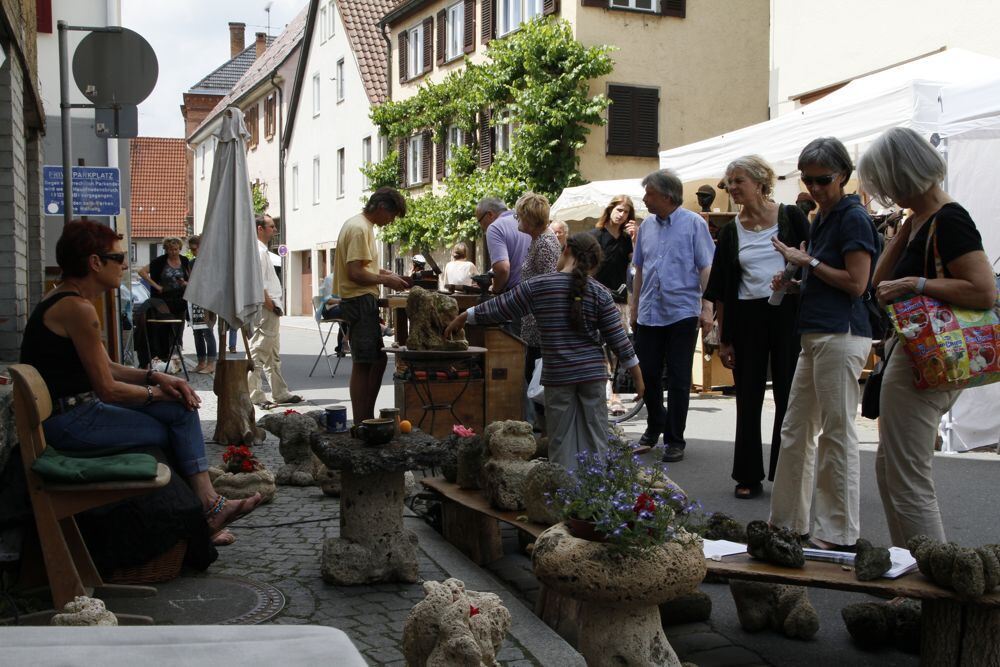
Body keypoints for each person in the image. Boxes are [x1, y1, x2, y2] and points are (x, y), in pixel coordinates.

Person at [20, 220, 262, 544]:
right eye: (119, 258)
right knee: (171, 425)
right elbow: (109, 389)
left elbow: (108, 367)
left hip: (73, 414)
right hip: (71, 422)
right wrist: (158, 393)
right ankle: (201, 515)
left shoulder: (65, 299)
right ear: (95, 262)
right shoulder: (77, 308)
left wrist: (156, 375)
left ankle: (208, 506)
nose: (125, 266)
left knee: (180, 410)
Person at [860, 127, 997, 547]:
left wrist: (916, 283)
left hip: (925, 356)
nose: (884, 191)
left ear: (901, 174)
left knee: (907, 477)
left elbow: (983, 291)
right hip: (917, 352)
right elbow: (877, 282)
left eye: (885, 181)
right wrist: (906, 229)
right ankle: (914, 565)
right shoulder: (922, 218)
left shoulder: (950, 219)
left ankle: (932, 572)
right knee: (892, 470)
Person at [445, 233, 643, 470]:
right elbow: (619, 341)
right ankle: (595, 486)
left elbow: (502, 306)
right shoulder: (600, 293)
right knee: (596, 437)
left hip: (558, 376)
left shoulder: (540, 286)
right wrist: (638, 379)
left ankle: (564, 486)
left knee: (560, 440)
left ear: (566, 250)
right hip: (592, 376)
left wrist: (465, 316)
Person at [768, 137, 880, 551]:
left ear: (843, 175)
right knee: (796, 428)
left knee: (836, 432)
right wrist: (796, 283)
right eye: (807, 179)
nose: (814, 187)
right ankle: (788, 523)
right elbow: (830, 279)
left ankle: (838, 532)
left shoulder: (853, 217)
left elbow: (857, 284)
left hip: (842, 333)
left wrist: (808, 263)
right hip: (818, 332)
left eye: (822, 179)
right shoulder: (824, 216)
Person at [704, 156, 809, 499]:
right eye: (729, 182)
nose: (732, 187)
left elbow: (814, 262)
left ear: (761, 182)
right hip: (746, 318)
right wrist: (724, 340)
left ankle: (788, 472)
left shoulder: (791, 217)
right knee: (747, 397)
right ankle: (747, 474)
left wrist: (796, 282)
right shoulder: (730, 231)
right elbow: (722, 290)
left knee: (788, 394)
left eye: (739, 181)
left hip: (787, 313)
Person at [630, 169, 715, 463]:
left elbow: (706, 267)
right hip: (649, 312)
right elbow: (640, 269)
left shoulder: (694, 224)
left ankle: (675, 439)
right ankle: (656, 423)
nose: (644, 199)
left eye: (649, 194)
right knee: (647, 373)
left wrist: (707, 307)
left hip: (682, 312)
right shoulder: (646, 227)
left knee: (678, 378)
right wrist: (634, 307)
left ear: (667, 196)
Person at [334, 187, 410, 424]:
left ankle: (365, 417)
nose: (391, 221)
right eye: (392, 215)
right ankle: (362, 421)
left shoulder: (360, 225)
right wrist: (385, 280)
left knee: (375, 360)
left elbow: (362, 267)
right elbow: (355, 272)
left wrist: (384, 273)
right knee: (365, 362)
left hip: (359, 299)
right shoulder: (360, 229)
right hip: (359, 300)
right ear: (382, 207)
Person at [515, 192, 562, 428]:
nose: (517, 220)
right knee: (534, 378)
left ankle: (547, 434)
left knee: (539, 381)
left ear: (530, 219)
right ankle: (545, 432)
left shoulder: (545, 243)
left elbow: (549, 285)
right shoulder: (538, 240)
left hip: (541, 326)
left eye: (520, 216)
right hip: (534, 323)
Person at [247, 215, 302, 410]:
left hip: (270, 306)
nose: (275, 230)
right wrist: (270, 305)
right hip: (267, 307)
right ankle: (254, 394)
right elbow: (258, 283)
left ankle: (280, 392)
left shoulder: (261, 250)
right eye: (271, 226)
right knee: (259, 351)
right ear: (260, 229)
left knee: (272, 354)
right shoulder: (259, 251)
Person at [591, 195, 636, 414]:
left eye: (626, 212)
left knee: (616, 346)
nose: (621, 215)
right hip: (597, 297)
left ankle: (614, 391)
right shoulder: (596, 235)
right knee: (599, 346)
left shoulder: (627, 239)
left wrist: (636, 239)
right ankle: (607, 391)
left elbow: (637, 265)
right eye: (619, 210)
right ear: (610, 210)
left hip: (619, 299)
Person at [138, 236, 190, 365]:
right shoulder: (160, 261)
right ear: (166, 249)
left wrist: (184, 283)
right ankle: (163, 356)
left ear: (180, 249)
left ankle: (176, 354)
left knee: (178, 327)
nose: (173, 252)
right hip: (163, 300)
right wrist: (157, 286)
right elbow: (142, 272)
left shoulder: (184, 261)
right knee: (164, 327)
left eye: (176, 249)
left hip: (180, 300)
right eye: (170, 249)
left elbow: (192, 279)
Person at [476, 196, 530, 295]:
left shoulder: (495, 227)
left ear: (490, 214)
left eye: (479, 221)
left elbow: (502, 269)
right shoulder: (525, 219)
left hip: (516, 294)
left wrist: (495, 290)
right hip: (536, 290)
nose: (481, 226)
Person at [186, 234, 217, 374]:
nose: (193, 252)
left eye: (195, 249)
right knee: (197, 333)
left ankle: (211, 364)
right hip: (195, 300)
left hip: (207, 301)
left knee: (207, 332)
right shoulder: (192, 263)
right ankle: (201, 362)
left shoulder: (210, 262)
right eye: (191, 249)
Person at [317, 273, 347, 357]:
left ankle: (342, 346)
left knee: (353, 312)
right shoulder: (330, 279)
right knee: (350, 312)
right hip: (329, 309)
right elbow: (327, 300)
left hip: (342, 307)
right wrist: (343, 301)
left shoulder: (347, 277)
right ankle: (345, 342)